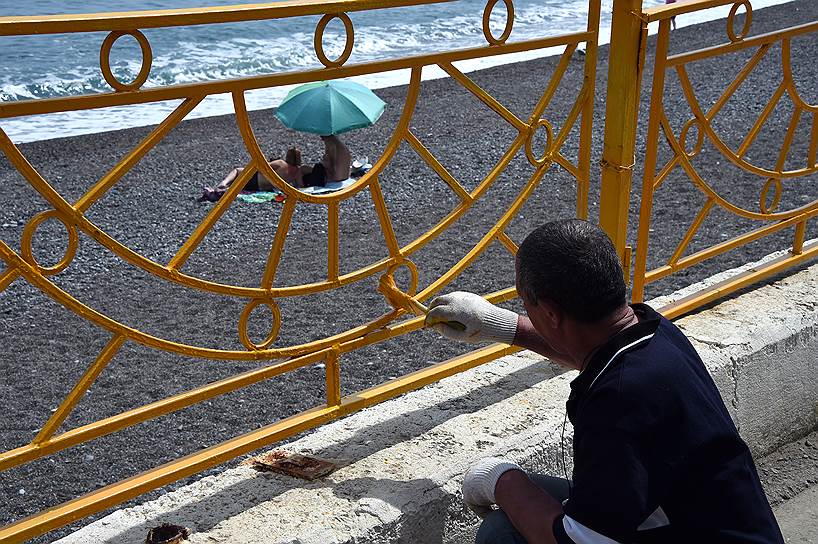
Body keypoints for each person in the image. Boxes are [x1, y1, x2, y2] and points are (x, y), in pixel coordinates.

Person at [426, 219, 783, 544]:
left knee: (502, 533)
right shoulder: (654, 333)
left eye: (525, 302)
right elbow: (588, 353)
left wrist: (498, 479)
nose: (525, 310)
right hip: (716, 525)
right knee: (527, 504)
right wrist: (497, 324)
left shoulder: (617, 403)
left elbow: (578, 540)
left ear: (550, 312)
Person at [200, 147, 302, 202]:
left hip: (255, 181)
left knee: (238, 170)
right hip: (262, 189)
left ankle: (223, 184)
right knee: (238, 186)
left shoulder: (281, 163)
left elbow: (261, 168)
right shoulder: (297, 171)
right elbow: (299, 186)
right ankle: (222, 190)